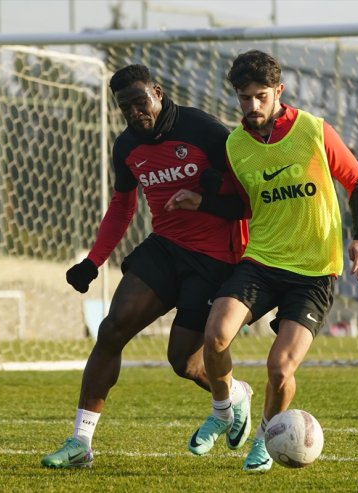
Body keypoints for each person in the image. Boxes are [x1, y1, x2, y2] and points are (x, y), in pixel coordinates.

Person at [41, 64, 251, 469]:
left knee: (183, 362)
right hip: (165, 248)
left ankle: (235, 394)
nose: (136, 112)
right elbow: (122, 206)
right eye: (125, 107)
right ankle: (80, 442)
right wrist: (92, 261)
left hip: (215, 259)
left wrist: (210, 193)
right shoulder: (127, 147)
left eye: (140, 102)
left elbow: (248, 196)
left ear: (157, 91)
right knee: (112, 328)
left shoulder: (204, 130)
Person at [175, 50, 358, 472]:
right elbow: (242, 207)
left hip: (314, 273)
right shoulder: (236, 145)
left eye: (260, 97)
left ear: (278, 91)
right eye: (244, 98)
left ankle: (265, 436)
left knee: (280, 369)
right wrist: (202, 201)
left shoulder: (313, 131)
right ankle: (226, 409)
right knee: (215, 335)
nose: (252, 107)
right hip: (261, 261)